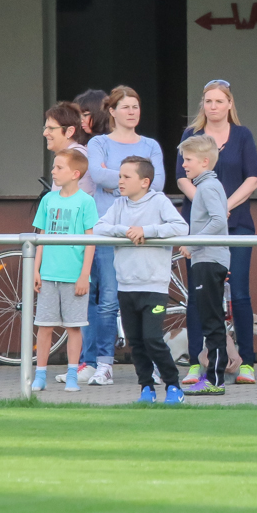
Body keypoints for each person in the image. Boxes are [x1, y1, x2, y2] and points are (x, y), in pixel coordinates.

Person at [176, 80, 257, 385]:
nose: (212, 106)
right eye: (207, 101)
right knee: (198, 295)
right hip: (200, 225)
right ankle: (198, 363)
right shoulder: (191, 135)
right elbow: (180, 178)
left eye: (218, 101)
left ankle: (246, 363)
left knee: (238, 292)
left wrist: (224, 206)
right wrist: (208, 205)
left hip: (237, 224)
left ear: (229, 104)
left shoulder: (243, 135)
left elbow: (253, 178)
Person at [85, 86, 166, 387]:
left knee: (145, 297)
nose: (132, 111)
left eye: (136, 106)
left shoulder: (151, 145)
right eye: (126, 107)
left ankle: (152, 364)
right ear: (112, 111)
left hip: (144, 232)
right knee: (107, 299)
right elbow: (97, 174)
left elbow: (157, 181)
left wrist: (116, 178)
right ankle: (104, 364)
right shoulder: (99, 142)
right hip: (110, 231)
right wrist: (132, 179)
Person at [93, 156, 189, 404]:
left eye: (126, 177)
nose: (120, 181)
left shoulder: (159, 201)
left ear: (145, 182)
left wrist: (148, 231)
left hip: (153, 287)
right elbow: (100, 227)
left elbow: (180, 227)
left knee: (152, 339)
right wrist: (124, 230)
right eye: (119, 176)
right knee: (135, 342)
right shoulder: (119, 205)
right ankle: (146, 387)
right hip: (126, 286)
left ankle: (174, 386)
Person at [30, 149, 98, 393]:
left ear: (75, 173)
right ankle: (40, 374)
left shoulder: (86, 202)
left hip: (73, 276)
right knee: (44, 326)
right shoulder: (48, 200)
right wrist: (36, 269)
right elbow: (42, 236)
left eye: (59, 168)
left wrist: (84, 275)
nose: (53, 172)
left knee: (74, 326)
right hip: (49, 275)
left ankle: (72, 373)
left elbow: (91, 241)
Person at [63, 90, 112, 386]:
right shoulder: (87, 146)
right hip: (89, 229)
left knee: (103, 299)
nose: (80, 120)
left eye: (84, 114)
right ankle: (89, 361)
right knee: (92, 299)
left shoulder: (95, 147)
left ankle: (98, 361)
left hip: (98, 229)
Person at [177, 136, 231, 395]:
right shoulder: (209, 186)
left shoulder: (208, 187)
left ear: (205, 161)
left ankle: (215, 380)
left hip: (209, 260)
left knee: (211, 322)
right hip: (207, 259)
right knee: (210, 319)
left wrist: (193, 243)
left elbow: (219, 220)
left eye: (188, 160)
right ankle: (212, 378)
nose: (184, 165)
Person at [43, 102, 94, 195]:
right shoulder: (76, 154)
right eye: (45, 128)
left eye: (51, 128)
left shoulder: (74, 157)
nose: (45, 133)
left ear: (69, 131)